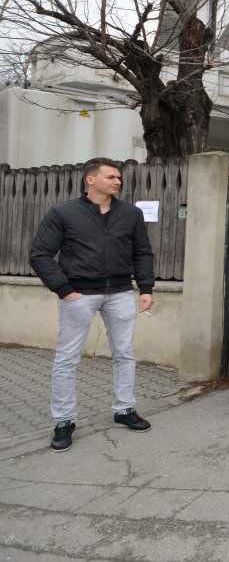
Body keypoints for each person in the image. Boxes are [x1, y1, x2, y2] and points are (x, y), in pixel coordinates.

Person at [31, 157, 156, 452]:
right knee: (67, 358)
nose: (118, 181)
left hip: (122, 293)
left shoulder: (130, 213)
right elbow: (40, 254)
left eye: (118, 177)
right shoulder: (63, 212)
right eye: (111, 177)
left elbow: (143, 253)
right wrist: (64, 289)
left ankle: (124, 409)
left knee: (125, 354)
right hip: (79, 295)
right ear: (91, 179)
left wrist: (146, 287)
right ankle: (64, 420)